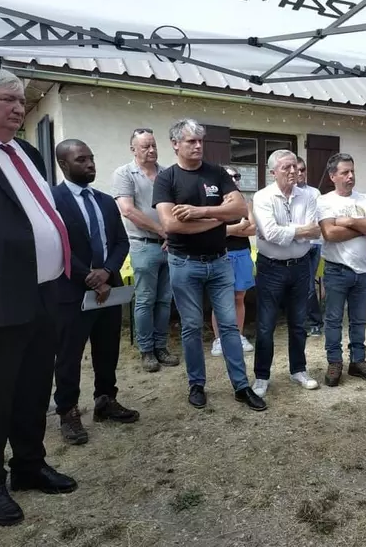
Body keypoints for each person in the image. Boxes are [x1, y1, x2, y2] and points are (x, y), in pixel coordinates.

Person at [0, 65, 76, 526]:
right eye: (7, 100)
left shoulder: (27, 151)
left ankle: (28, 465)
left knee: (33, 386)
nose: (17, 108)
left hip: (45, 290)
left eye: (20, 100)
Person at [152, 119, 265, 411]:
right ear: (175, 144)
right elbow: (171, 225)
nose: (198, 145)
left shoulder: (216, 172)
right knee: (190, 327)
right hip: (184, 263)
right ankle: (196, 385)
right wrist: (220, 218)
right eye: (191, 141)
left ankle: (241, 387)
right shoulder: (167, 179)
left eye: (200, 140)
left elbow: (240, 208)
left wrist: (200, 212)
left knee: (229, 327)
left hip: (219, 262)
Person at [52, 139, 139, 446]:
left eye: (91, 158)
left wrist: (106, 272)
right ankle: (68, 411)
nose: (90, 164)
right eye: (81, 160)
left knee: (107, 350)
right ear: (64, 164)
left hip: (108, 290)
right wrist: (88, 276)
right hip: (72, 293)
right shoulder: (52, 200)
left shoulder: (104, 200)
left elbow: (121, 242)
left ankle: (105, 400)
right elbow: (54, 246)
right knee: (69, 356)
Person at [251, 150, 322, 398]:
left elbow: (315, 231)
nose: (293, 172)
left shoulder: (310, 195)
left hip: (301, 265)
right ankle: (261, 376)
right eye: (286, 168)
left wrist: (288, 231)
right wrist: (299, 231)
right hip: (271, 268)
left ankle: (298, 370)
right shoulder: (262, 197)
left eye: (295, 166)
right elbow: (270, 234)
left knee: (298, 322)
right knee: (265, 325)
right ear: (273, 172)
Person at [112, 128, 178, 373]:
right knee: (145, 300)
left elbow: (176, 206)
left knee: (164, 300)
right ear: (133, 149)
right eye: (145, 146)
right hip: (143, 244)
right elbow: (128, 210)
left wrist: (172, 234)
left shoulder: (167, 173)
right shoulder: (124, 173)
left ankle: (161, 346)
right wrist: (163, 230)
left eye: (153, 145)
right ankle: (146, 350)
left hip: (169, 245)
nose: (151, 150)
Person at [317, 153, 366, 386]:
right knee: (334, 319)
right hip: (337, 270)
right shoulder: (324, 201)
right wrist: (363, 226)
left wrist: (350, 221)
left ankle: (358, 361)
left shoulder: (364, 198)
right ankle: (334, 362)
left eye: (352, 171)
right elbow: (330, 234)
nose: (350, 176)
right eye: (345, 172)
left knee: (359, 320)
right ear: (332, 176)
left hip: (362, 271)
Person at [211, 165, 256, 356]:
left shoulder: (244, 202)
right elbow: (211, 231)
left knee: (239, 297)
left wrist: (229, 230)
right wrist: (238, 228)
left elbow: (253, 228)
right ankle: (219, 339)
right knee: (220, 300)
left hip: (242, 252)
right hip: (220, 254)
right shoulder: (213, 203)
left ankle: (238, 335)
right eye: (231, 177)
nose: (235, 180)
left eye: (237, 176)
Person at [296, 156, 324, 337]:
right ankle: (300, 321)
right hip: (293, 245)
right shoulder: (285, 194)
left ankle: (315, 322)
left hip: (312, 245)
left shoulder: (314, 193)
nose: (300, 173)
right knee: (297, 285)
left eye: (303, 169)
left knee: (307, 286)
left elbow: (314, 222)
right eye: (297, 170)